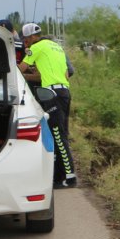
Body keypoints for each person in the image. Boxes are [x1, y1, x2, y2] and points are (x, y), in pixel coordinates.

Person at [18, 23, 77, 188]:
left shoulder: (35, 48)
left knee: (58, 136)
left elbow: (19, 69)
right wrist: (32, 76)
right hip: (65, 92)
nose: (25, 43)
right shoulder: (56, 47)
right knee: (61, 133)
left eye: (25, 40)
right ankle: (59, 177)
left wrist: (20, 74)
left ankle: (70, 177)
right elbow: (65, 74)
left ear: (30, 38)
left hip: (52, 95)